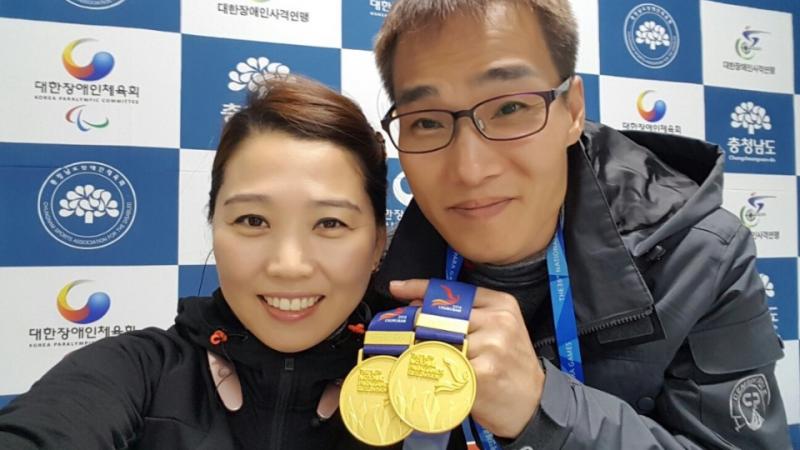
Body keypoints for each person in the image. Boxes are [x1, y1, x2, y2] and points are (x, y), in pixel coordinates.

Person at [368, 0, 792, 448]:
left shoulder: (700, 255)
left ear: (572, 111)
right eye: (428, 122)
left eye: (510, 108)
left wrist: (547, 409)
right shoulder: (372, 273)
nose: (470, 170)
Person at [0, 76, 389, 449]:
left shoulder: (432, 385)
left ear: (376, 245)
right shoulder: (135, 370)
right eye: (253, 221)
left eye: (330, 223)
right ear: (213, 225)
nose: (288, 265)